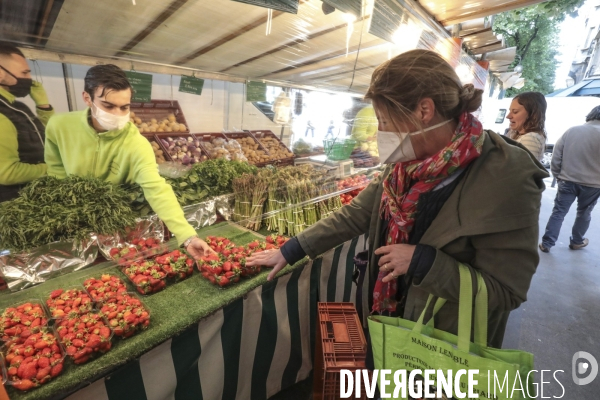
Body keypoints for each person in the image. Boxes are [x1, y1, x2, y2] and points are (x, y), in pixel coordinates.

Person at [247, 50, 548, 349]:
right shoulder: (404, 167)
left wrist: (423, 261)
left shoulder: (507, 180)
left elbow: (506, 292)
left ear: (424, 111)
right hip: (388, 322)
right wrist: (292, 249)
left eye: (385, 121)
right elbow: (356, 213)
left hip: (443, 348)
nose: (381, 133)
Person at [44, 64, 213, 258]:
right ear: (87, 98)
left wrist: (187, 236)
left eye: (124, 107)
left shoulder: (136, 144)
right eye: (108, 106)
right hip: (72, 217)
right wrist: (64, 207)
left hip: (111, 219)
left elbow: (156, 188)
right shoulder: (59, 126)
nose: (117, 114)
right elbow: (55, 170)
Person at [539, 106, 600, 252]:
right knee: (584, 213)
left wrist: (558, 175)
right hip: (593, 184)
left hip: (567, 180)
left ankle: (547, 243)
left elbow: (556, 155)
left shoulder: (572, 131)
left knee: (559, 211)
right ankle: (577, 241)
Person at [0, 42, 53, 202]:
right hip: (14, 209)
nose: (29, 79)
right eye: (25, 73)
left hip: (32, 200)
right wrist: (52, 168)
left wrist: (43, 105)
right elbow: (6, 173)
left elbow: (52, 134)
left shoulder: (16, 107)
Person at [505, 92, 547, 162]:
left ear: (532, 114)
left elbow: (522, 170)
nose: (508, 116)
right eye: (510, 111)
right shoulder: (518, 135)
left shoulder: (530, 138)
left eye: (515, 112)